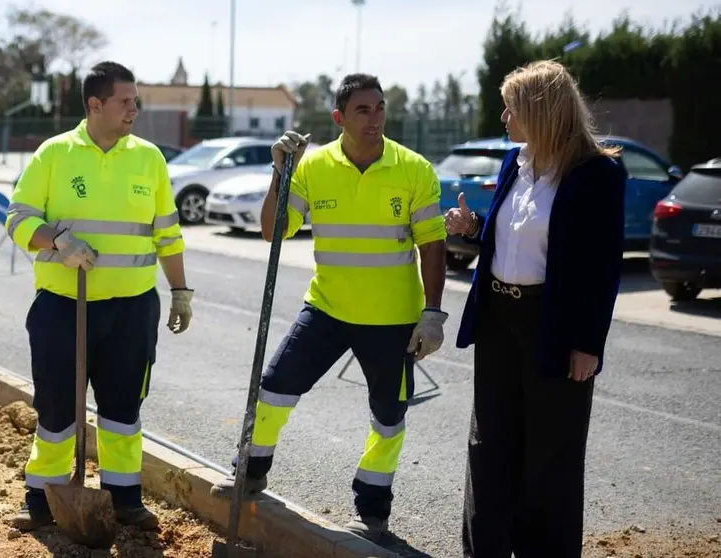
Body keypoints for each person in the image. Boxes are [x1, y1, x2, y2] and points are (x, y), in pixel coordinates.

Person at [210, 73, 449, 543]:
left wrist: (433, 312)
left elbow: (433, 244)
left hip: (393, 319)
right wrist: (280, 171)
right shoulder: (314, 168)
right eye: (362, 110)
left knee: (389, 415)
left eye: (379, 108)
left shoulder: (414, 168)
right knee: (275, 387)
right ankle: (251, 469)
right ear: (339, 118)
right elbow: (273, 230)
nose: (374, 119)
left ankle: (373, 511)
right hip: (327, 309)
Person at [4, 61, 195, 532]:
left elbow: (166, 233)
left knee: (124, 408)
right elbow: (17, 218)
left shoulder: (149, 158)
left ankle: (124, 498)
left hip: (132, 310)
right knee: (56, 407)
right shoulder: (55, 154)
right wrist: (57, 242)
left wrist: (180, 291)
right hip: (62, 308)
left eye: (136, 100)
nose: (135, 109)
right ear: (96, 104)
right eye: (126, 101)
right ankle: (43, 499)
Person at [446, 60, 626, 557]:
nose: (503, 118)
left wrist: (588, 344)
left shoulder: (598, 174)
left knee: (551, 455)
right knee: (489, 447)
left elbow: (601, 266)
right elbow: (519, 240)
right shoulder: (514, 163)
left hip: (555, 325)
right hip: (499, 319)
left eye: (511, 109)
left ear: (540, 111)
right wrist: (475, 227)